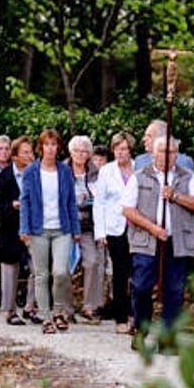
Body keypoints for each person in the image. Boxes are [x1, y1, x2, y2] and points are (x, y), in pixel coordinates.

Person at [123, 136, 194, 336]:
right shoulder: (139, 176)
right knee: (141, 286)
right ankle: (142, 329)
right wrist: (152, 228)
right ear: (153, 153)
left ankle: (168, 336)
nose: (167, 156)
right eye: (163, 151)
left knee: (174, 290)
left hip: (178, 241)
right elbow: (127, 209)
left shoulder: (188, 177)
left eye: (172, 152)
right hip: (147, 241)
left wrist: (176, 196)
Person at [20, 129, 82, 333]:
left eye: (54, 145)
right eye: (46, 144)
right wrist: (24, 228)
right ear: (41, 147)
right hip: (38, 229)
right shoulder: (31, 171)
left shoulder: (65, 171)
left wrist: (76, 228)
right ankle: (46, 317)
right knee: (41, 274)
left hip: (62, 228)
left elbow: (71, 202)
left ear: (58, 148)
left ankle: (58, 311)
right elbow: (25, 201)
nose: (50, 148)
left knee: (61, 272)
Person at [94, 132, 139, 333]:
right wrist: (100, 231)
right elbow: (100, 202)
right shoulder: (106, 171)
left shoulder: (141, 168)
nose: (120, 153)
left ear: (130, 150)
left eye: (124, 149)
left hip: (138, 227)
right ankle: (120, 318)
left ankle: (136, 315)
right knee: (120, 274)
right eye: (117, 149)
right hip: (115, 228)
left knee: (138, 272)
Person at [0, 135, 33, 325]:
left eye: (31, 152)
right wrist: (11, 205)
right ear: (15, 156)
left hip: (32, 227)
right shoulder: (4, 177)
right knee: (10, 268)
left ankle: (31, 307)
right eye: (26, 152)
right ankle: (9, 310)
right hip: (9, 228)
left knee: (38, 268)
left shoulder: (36, 174)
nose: (30, 156)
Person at [67, 135, 105, 323]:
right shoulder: (62, 171)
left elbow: (102, 199)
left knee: (92, 262)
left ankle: (89, 306)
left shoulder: (96, 173)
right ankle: (65, 308)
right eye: (77, 151)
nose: (81, 154)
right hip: (67, 226)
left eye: (84, 151)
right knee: (64, 267)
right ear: (70, 152)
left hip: (89, 225)